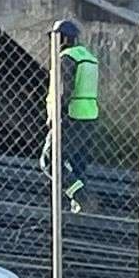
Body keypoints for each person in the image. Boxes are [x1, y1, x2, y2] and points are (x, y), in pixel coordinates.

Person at [46, 19, 100, 214]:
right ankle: (79, 208)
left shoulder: (66, 57)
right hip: (90, 117)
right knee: (77, 165)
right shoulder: (89, 58)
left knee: (50, 161)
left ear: (62, 39)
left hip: (71, 117)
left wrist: (57, 117)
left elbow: (64, 90)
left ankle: (81, 197)